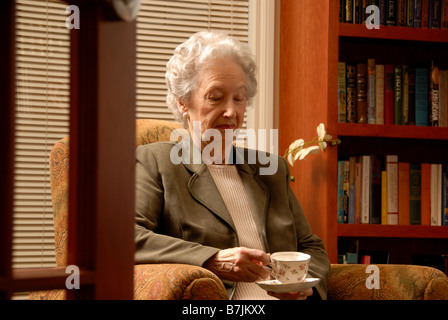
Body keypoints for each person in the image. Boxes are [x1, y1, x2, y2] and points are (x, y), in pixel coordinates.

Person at [134, 31, 330, 300]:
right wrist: (212, 258)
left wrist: (306, 285)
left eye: (239, 98)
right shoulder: (156, 163)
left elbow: (311, 246)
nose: (231, 112)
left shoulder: (271, 168)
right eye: (215, 97)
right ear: (183, 102)